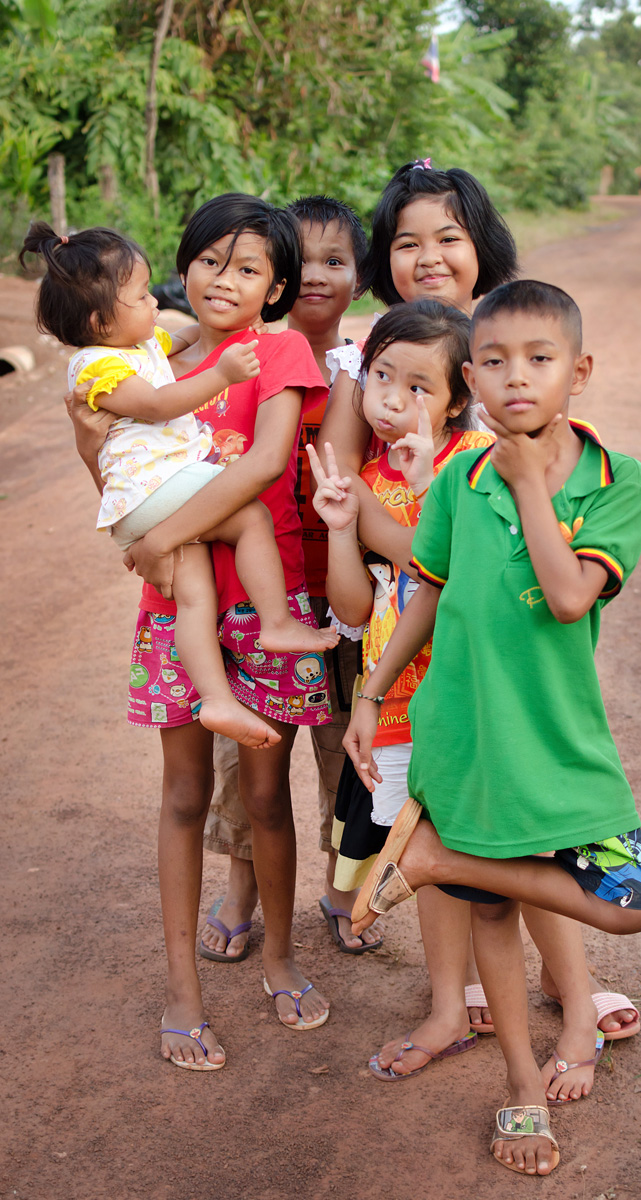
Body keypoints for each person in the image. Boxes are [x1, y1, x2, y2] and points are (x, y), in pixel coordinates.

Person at [319, 159, 641, 1049]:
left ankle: (569, 986)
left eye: (449, 238)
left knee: (529, 823)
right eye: (406, 242)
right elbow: (356, 494)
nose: (428, 257)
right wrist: (419, 534)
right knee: (441, 822)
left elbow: (561, 519)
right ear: (383, 258)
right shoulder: (375, 358)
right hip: (412, 625)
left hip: (505, 641)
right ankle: (454, 996)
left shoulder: (514, 344)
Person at [343, 280, 641, 1174]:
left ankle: (434, 861)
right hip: (464, 735)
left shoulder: (616, 481)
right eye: (493, 361)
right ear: (472, 380)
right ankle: (522, 1084)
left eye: (539, 358)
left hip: (559, 744)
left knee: (631, 902)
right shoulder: (459, 479)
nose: (516, 377)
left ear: (578, 372)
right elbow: (427, 595)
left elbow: (568, 598)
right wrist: (370, 695)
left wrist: (527, 484)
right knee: (493, 915)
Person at [68, 193, 335, 1068]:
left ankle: (280, 956)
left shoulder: (279, 350)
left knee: (266, 797)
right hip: (176, 607)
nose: (225, 279)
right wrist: (92, 449)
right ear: (183, 265)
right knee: (183, 797)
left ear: (276, 287)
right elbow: (122, 472)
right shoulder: (154, 355)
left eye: (249, 267)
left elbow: (265, 463)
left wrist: (158, 541)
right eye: (211, 260)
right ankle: (182, 990)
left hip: (263, 602)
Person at [24, 222, 338, 753]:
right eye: (143, 295)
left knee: (194, 597)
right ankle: (277, 621)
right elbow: (156, 408)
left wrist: (213, 334)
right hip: (163, 512)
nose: (155, 303)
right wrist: (223, 373)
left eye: (246, 270)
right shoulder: (102, 368)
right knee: (250, 517)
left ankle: (215, 699)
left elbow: (184, 336)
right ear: (101, 321)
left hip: (166, 526)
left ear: (274, 287)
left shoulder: (143, 348)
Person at [310, 299, 496, 1079]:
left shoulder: (480, 460)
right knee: (430, 853)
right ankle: (452, 1000)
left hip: (475, 695)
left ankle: (564, 992)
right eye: (381, 376)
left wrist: (424, 486)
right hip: (398, 696)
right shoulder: (365, 480)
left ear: (457, 398)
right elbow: (355, 608)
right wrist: (340, 526)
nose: (392, 398)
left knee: (506, 851)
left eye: (419, 386)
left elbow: (452, 568)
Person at [199, 195, 386, 958]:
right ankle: (242, 881)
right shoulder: (237, 359)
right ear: (274, 277)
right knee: (252, 756)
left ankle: (344, 884)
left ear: (359, 278)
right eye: (299, 260)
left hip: (344, 599)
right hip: (256, 596)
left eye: (334, 261)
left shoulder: (371, 367)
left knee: (348, 755)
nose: (315, 275)